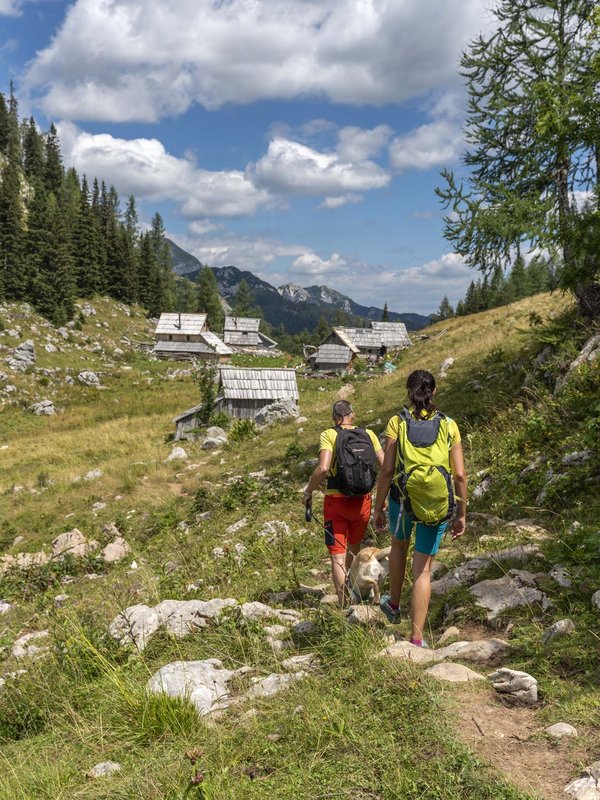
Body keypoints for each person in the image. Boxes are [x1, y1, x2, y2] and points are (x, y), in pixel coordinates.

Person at [373, 370, 467, 646]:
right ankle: (416, 638)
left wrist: (378, 507)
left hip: (401, 499)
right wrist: (461, 513)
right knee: (423, 571)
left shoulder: (397, 422)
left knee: (399, 545)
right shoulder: (449, 424)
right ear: (434, 391)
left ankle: (393, 604)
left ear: (409, 392)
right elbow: (460, 475)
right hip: (436, 503)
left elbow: (388, 469)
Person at [303, 400, 384, 605]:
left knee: (337, 558)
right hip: (362, 503)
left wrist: (309, 490)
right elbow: (384, 464)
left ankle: (344, 604)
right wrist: (384, 496)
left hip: (336, 503)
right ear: (352, 415)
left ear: (334, 418)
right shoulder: (369, 434)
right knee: (353, 550)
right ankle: (355, 590)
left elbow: (322, 468)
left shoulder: (329, 434)